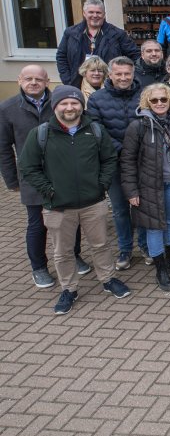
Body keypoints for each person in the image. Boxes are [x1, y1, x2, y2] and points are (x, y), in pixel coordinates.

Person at [18, 85, 131, 314]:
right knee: (63, 251)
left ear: (81, 105)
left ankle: (108, 279)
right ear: (55, 106)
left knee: (101, 245)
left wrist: (102, 185)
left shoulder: (96, 130)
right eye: (64, 103)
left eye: (74, 102)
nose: (70, 107)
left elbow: (109, 159)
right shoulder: (41, 134)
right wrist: (48, 190)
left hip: (93, 202)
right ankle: (69, 289)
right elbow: (28, 167)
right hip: (58, 206)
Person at [0, 65, 89, 288]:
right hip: (32, 177)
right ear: (19, 80)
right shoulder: (7, 109)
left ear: (47, 81)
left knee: (70, 220)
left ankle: (74, 255)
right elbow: (3, 148)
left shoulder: (61, 102)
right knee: (37, 224)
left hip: (65, 175)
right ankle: (39, 267)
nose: (33, 83)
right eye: (28, 79)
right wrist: (11, 180)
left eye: (38, 79)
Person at [120, 83, 170, 292]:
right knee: (154, 226)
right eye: (154, 100)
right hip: (150, 185)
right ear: (147, 102)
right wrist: (132, 191)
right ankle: (160, 268)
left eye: (163, 99)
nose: (160, 103)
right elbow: (127, 161)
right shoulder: (138, 126)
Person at [86, 56, 144, 270]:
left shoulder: (144, 94)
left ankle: (145, 246)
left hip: (142, 161)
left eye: (127, 73)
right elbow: (97, 130)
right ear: (109, 75)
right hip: (114, 163)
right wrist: (124, 150)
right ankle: (125, 250)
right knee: (120, 209)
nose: (123, 77)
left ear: (133, 73)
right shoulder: (96, 99)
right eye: (118, 74)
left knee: (142, 207)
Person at [56, 0, 139, 86]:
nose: (95, 15)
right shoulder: (70, 33)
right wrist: (68, 80)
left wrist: (126, 78)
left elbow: (135, 56)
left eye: (98, 12)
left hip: (109, 85)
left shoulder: (118, 34)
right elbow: (61, 57)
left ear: (104, 14)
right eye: (91, 12)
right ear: (84, 13)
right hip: (78, 84)